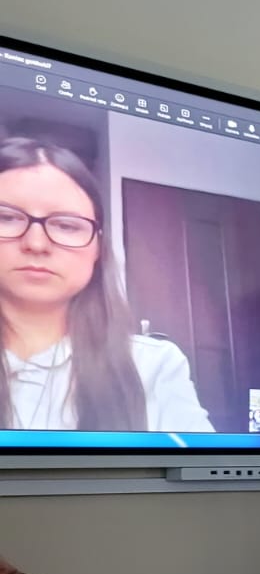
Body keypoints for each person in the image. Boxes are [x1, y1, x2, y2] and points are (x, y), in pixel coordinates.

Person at [0, 137, 210, 432]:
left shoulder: (152, 365)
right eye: (6, 218)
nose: (36, 243)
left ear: (97, 247)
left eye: (66, 225)